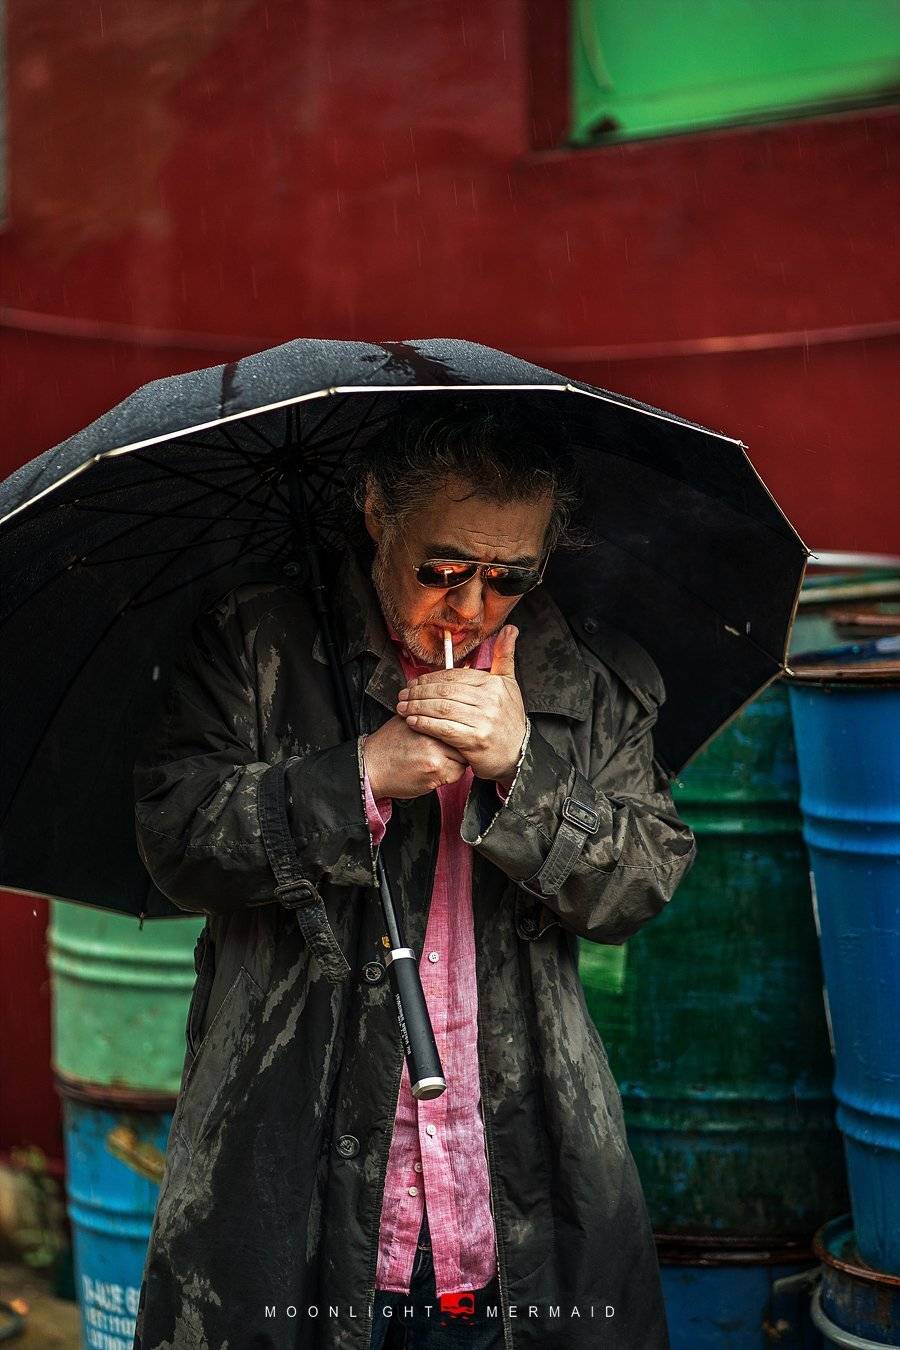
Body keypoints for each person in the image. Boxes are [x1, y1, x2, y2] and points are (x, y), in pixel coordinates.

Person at [131, 399, 696, 1350]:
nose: (471, 607)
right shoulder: (258, 644)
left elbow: (640, 880)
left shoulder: (591, 678)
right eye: (443, 569)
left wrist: (526, 767)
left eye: (510, 576)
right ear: (373, 510)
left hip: (509, 1191)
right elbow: (177, 836)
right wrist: (354, 777)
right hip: (292, 1178)